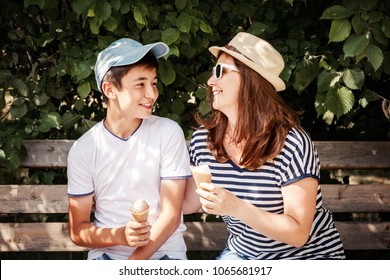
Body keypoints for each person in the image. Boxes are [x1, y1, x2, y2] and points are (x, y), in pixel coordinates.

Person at [184, 32, 345, 260]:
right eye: (213, 72)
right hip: (245, 256)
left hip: (306, 259)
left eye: (220, 71)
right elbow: (189, 202)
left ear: (251, 79)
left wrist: (235, 206)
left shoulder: (291, 142)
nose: (211, 82)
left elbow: (298, 234)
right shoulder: (204, 141)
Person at [67, 38, 191, 260]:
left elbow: (171, 217)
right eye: (140, 84)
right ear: (110, 90)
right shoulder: (84, 149)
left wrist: (130, 266)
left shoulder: (168, 132)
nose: (152, 94)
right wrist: (122, 236)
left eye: (153, 83)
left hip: (164, 254)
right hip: (106, 257)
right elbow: (78, 232)